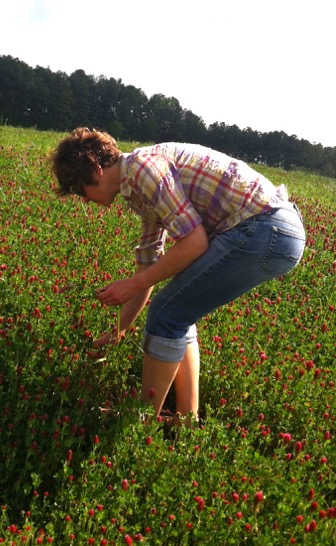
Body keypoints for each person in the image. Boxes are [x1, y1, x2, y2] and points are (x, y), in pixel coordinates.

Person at [51, 127, 306, 426]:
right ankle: (187, 419)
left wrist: (132, 285)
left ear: (95, 167)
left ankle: (139, 420)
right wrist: (118, 331)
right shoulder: (136, 184)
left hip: (263, 228)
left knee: (166, 312)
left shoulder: (143, 170)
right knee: (178, 310)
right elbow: (148, 265)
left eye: (80, 189)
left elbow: (194, 242)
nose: (84, 199)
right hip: (274, 230)